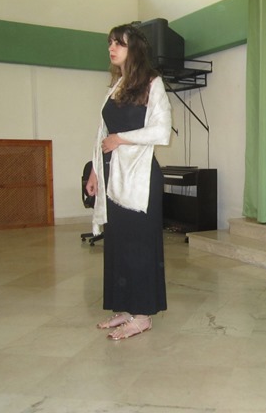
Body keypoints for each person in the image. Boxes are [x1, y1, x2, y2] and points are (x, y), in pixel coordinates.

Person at [85, 23, 172, 340]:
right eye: (110, 42)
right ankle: (124, 306)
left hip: (140, 178)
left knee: (139, 246)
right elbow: (102, 133)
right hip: (112, 175)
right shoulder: (116, 85)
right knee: (118, 244)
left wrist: (121, 139)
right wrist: (95, 171)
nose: (112, 48)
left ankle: (143, 314)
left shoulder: (152, 83)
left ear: (134, 48)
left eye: (119, 43)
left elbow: (161, 131)